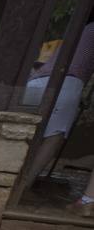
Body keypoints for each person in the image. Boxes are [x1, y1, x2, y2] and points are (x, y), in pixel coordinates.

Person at [19, 17, 94, 193]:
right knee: (53, 138)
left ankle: (7, 178)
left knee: (25, 132)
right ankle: (23, 186)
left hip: (36, 81)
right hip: (68, 83)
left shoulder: (78, 28)